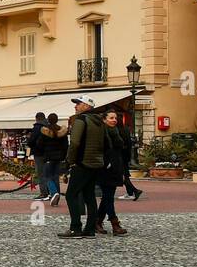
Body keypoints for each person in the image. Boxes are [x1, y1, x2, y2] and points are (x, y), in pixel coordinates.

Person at [60, 95, 106, 239]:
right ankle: (90, 229)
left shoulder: (81, 120)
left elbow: (74, 143)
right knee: (89, 196)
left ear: (86, 106)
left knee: (71, 195)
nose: (75, 106)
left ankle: (75, 228)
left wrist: (69, 161)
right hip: (96, 163)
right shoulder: (99, 122)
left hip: (82, 162)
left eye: (78, 104)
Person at [93, 111, 129, 236]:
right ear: (104, 119)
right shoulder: (101, 132)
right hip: (105, 168)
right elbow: (100, 149)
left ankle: (97, 222)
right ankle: (115, 224)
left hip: (115, 167)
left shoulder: (117, 131)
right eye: (111, 118)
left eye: (115, 118)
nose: (114, 120)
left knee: (107, 197)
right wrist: (106, 163)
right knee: (108, 197)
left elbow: (121, 148)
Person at [38, 112, 68, 207]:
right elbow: (66, 146)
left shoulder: (45, 132)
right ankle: (56, 197)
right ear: (57, 120)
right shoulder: (62, 132)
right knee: (55, 176)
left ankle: (54, 192)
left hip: (48, 157)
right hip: (59, 158)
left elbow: (39, 144)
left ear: (48, 120)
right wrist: (63, 156)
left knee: (47, 176)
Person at [26, 111, 46, 193]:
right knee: (49, 174)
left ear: (36, 118)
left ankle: (44, 192)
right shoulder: (48, 126)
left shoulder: (37, 128)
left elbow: (31, 141)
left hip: (39, 153)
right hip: (49, 154)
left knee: (41, 173)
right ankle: (53, 192)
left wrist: (30, 144)